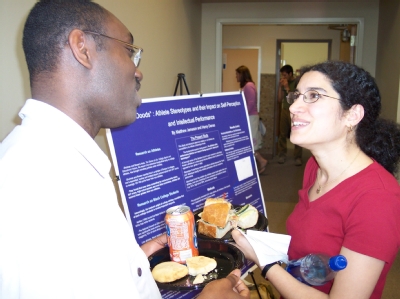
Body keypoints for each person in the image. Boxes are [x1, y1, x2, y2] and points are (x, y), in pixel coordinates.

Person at [0, 1, 249, 298]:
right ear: (82, 48)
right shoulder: (39, 185)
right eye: (129, 51)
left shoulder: (59, 161)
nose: (138, 71)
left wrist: (130, 265)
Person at [233, 60, 400, 299]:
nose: (293, 107)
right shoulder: (315, 167)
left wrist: (266, 263)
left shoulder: (378, 198)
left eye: (313, 96)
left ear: (352, 114)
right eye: (297, 96)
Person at [236, 65, 268, 174]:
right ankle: (260, 162)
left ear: (242, 75)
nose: (236, 76)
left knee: (250, 144)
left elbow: (250, 103)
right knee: (248, 143)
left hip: (251, 117)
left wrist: (242, 115)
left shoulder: (249, 86)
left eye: (237, 74)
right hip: (250, 117)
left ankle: (261, 161)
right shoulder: (248, 86)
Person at [277, 64, 303, 166]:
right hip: (285, 110)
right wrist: (280, 87)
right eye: (282, 75)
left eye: (285, 75)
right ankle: (282, 155)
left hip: (295, 112)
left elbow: (293, 100)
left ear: (290, 74)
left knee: (297, 134)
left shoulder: (297, 83)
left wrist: (287, 87)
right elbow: (279, 99)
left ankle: (298, 156)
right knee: (282, 134)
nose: (283, 77)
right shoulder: (284, 83)